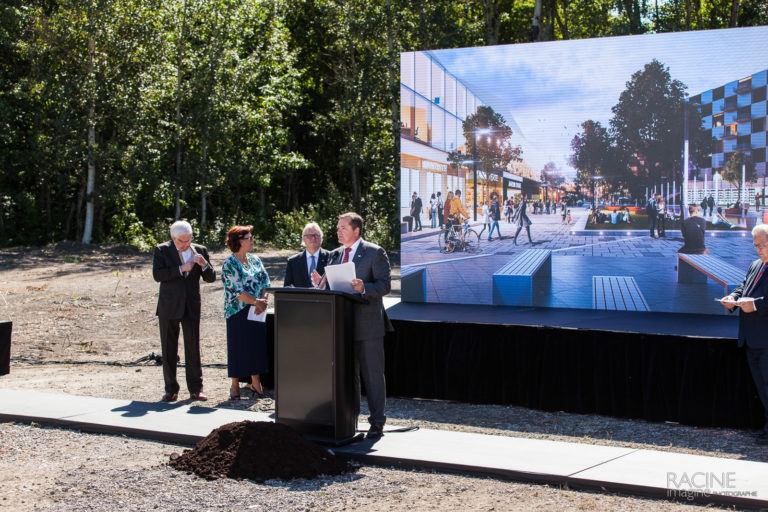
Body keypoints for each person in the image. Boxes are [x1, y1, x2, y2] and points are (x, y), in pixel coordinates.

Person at [313, 212, 393, 439]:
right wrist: (320, 285)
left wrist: (363, 287)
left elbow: (385, 285)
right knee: (348, 377)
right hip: (342, 325)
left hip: (367, 325)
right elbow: (332, 287)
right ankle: (350, 420)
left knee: (372, 375)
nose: (338, 231)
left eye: (343, 228)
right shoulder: (335, 254)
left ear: (356, 230)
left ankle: (377, 421)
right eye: (338, 228)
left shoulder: (374, 252)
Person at [152, 220, 216, 402]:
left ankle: (196, 388)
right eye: (183, 241)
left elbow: (211, 278)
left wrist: (204, 264)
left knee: (193, 347)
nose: (187, 244)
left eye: (189, 240)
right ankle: (171, 389)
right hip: (169, 306)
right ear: (173, 238)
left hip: (191, 305)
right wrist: (181, 269)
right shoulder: (162, 250)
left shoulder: (200, 250)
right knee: (169, 348)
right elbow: (158, 275)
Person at [720, 224, 768, 445]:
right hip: (751, 337)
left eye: (763, 245)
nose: (759, 250)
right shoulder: (755, 265)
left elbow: (760, 300)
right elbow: (743, 287)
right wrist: (732, 297)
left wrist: (756, 306)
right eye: (756, 246)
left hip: (765, 338)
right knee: (761, 386)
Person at [221, 225, 270, 400]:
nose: (252, 240)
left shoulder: (255, 260)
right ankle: (235, 385)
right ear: (239, 241)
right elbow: (236, 290)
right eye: (249, 238)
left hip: (257, 309)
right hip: (238, 310)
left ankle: (256, 382)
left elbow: (265, 281)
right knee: (238, 347)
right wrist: (256, 301)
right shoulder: (229, 263)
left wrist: (262, 300)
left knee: (256, 345)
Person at [284, 222, 329, 288]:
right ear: (303, 239)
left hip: (325, 298)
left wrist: (323, 287)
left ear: (321, 238)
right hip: (301, 298)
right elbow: (287, 286)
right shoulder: (293, 261)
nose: (313, 238)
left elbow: (335, 285)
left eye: (316, 235)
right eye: (310, 236)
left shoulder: (331, 257)